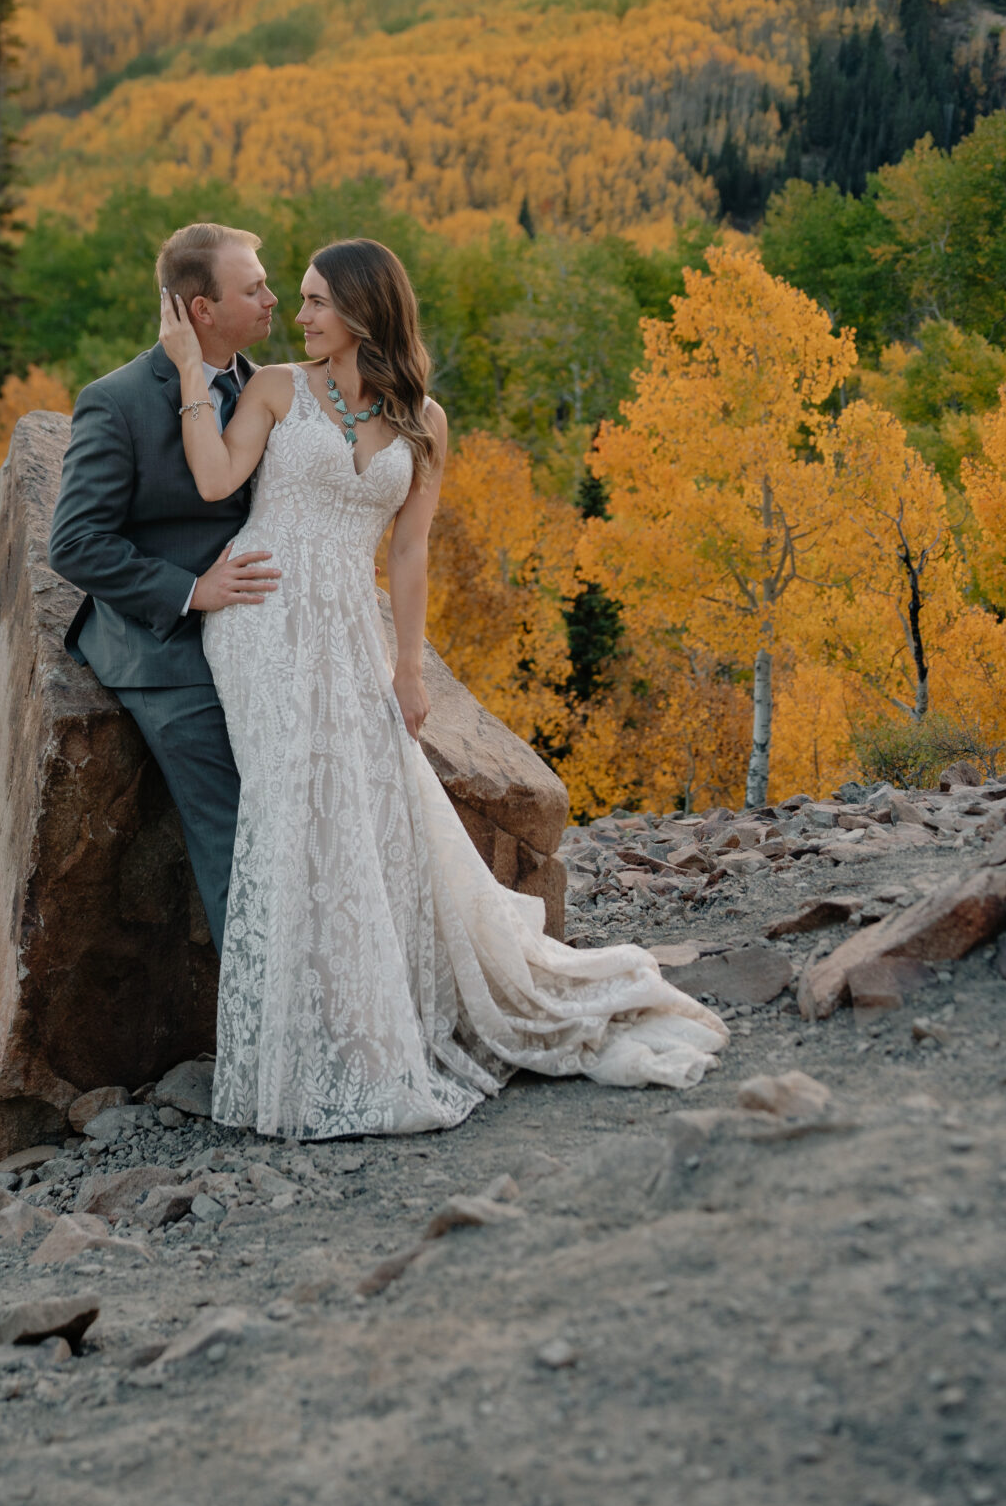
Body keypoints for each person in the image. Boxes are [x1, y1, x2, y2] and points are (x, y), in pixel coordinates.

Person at [158, 236, 726, 1140]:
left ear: (361, 309)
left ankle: (379, 1022)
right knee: (291, 805)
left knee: (367, 809)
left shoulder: (423, 418)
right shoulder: (272, 388)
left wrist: (409, 668)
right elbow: (216, 476)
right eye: (293, 299)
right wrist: (194, 371)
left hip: (349, 624)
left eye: (313, 302)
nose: (296, 317)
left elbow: (410, 552)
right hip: (260, 619)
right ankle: (299, 1047)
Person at [47, 221, 280, 950]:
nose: (272, 299)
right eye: (253, 287)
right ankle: (259, 1041)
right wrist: (192, 591)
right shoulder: (116, 400)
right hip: (165, 654)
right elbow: (76, 542)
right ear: (201, 310)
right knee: (238, 833)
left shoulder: (262, 387)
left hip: (260, 635)